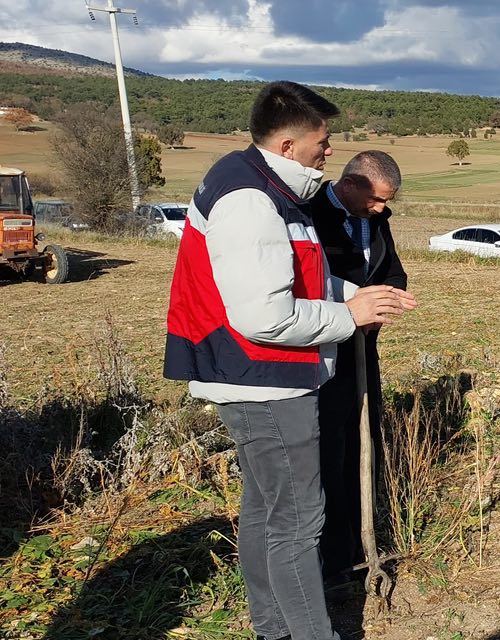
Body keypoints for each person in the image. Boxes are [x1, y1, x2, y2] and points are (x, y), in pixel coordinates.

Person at [164, 81, 416, 640]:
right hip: (265, 381)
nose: (329, 151)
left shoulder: (270, 190)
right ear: (287, 145)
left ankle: (273, 629)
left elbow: (305, 276)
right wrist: (349, 314)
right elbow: (263, 317)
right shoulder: (250, 199)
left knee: (264, 512)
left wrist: (362, 294)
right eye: (322, 142)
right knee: (298, 525)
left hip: (264, 376)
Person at [309, 150, 408, 581]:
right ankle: (331, 559)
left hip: (363, 351)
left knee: (364, 440)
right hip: (320, 355)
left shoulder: (377, 221)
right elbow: (305, 283)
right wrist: (350, 313)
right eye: (376, 200)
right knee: (328, 452)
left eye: (387, 202)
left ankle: (360, 543)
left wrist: (383, 308)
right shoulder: (310, 216)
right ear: (350, 185)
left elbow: (392, 273)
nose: (382, 209)